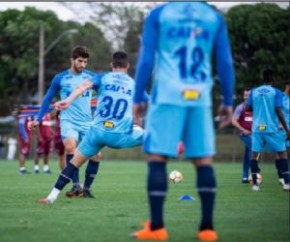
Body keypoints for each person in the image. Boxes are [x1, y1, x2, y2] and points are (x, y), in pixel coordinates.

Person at [132, 2, 235, 241]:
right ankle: (207, 229)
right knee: (203, 161)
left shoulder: (159, 14)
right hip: (199, 97)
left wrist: (138, 96)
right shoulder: (213, 17)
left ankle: (157, 228)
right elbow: (226, 62)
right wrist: (228, 100)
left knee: (158, 157)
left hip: (167, 95)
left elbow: (146, 59)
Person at [38, 51, 147, 204]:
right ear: (127, 67)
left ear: (112, 65)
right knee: (150, 136)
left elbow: (82, 87)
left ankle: (51, 197)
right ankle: (176, 146)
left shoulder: (102, 77)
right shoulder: (134, 84)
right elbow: (149, 103)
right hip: (119, 135)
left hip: (97, 133)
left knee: (74, 163)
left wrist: (68, 100)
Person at [29, 45, 101, 197]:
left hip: (87, 122)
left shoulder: (91, 78)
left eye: (85, 62)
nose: (83, 65)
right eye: (80, 61)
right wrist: (38, 119)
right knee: (70, 148)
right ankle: (76, 186)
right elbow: (47, 98)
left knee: (96, 155)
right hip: (68, 121)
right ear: (72, 60)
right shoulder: (60, 78)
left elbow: (104, 91)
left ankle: (86, 189)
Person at [246, 69, 290, 191]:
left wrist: (258, 107)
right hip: (272, 128)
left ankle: (255, 184)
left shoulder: (254, 91)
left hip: (257, 128)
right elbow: (278, 111)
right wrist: (287, 129)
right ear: (273, 79)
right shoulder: (276, 92)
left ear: (263, 78)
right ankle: (287, 183)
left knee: (254, 155)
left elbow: (247, 108)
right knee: (282, 153)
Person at [232, 88, 261, 183]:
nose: (247, 97)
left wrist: (259, 130)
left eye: (249, 95)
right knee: (254, 147)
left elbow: (260, 122)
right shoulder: (240, 107)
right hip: (244, 134)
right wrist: (243, 129)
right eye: (245, 95)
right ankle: (255, 170)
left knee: (247, 155)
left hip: (254, 134)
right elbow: (233, 121)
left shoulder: (257, 107)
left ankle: (245, 177)